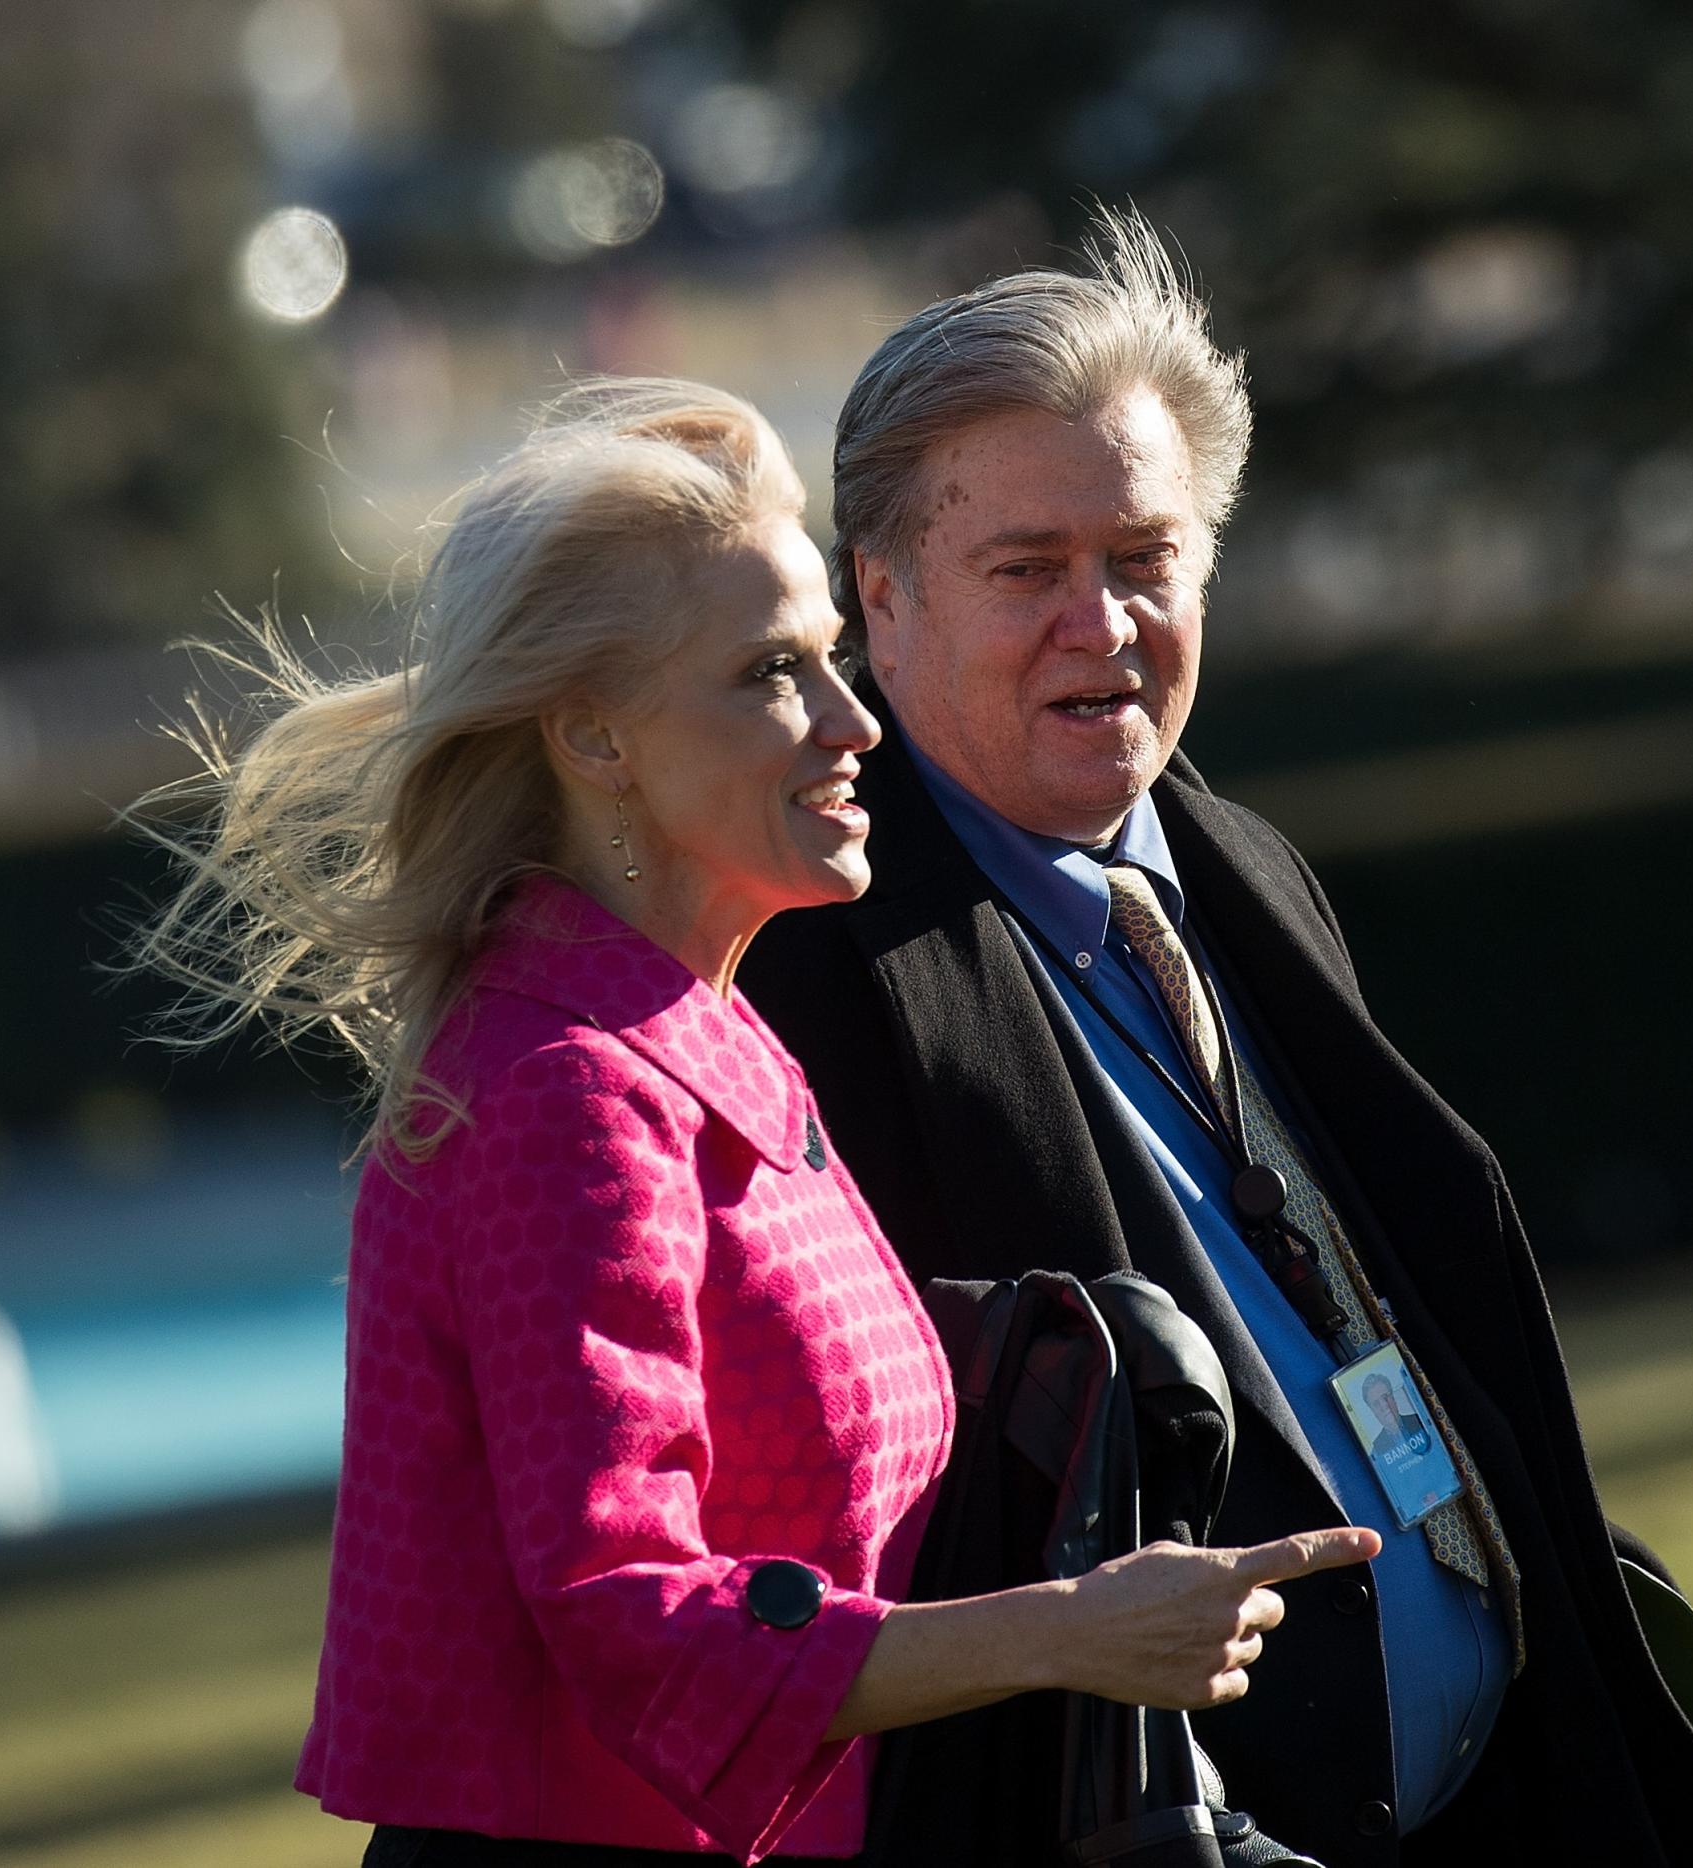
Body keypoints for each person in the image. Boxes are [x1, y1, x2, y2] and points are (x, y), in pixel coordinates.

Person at [130, 380, 1378, 1865]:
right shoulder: (562, 1093)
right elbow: (635, 1616)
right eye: (773, 674)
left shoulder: (699, 1027)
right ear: (595, 742)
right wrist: (1072, 1634)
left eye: (834, 661)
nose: (854, 722)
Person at [740, 215, 1693, 1865]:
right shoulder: (804, 977)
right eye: (1027, 570)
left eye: (1145, 558)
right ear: (881, 601)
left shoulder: (1243, 873)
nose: (1102, 621)